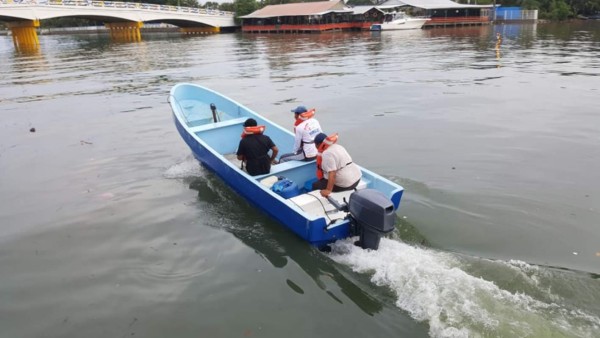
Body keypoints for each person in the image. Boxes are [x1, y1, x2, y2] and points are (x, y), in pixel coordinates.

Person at [311, 133, 362, 197]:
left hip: (347, 184)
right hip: (357, 178)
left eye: (315, 144)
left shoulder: (326, 153)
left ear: (318, 144)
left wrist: (328, 190)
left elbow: (332, 173)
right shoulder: (338, 146)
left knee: (315, 185)